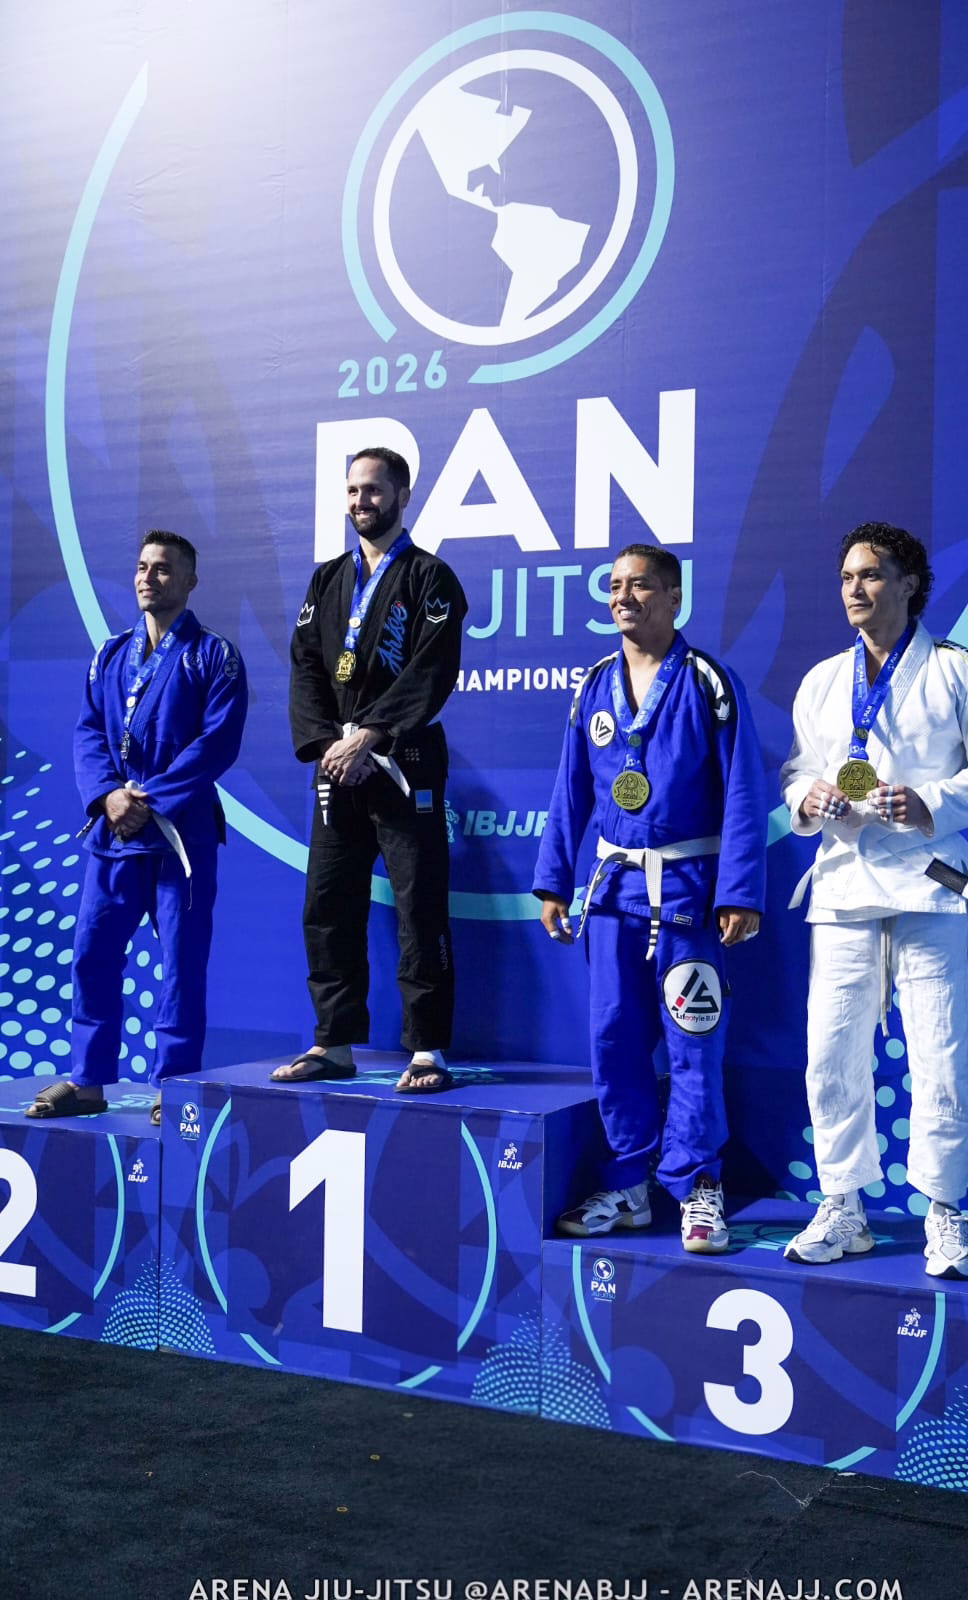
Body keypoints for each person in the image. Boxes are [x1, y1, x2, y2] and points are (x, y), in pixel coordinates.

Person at [533, 545, 766, 1251]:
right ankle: (630, 1183)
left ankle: (698, 1187)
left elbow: (745, 793)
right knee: (614, 1042)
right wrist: (552, 878)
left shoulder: (707, 683)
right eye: (614, 587)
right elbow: (571, 787)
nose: (623, 597)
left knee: (694, 1043)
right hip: (611, 898)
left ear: (674, 598)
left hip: (689, 896)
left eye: (640, 586)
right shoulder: (594, 685)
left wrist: (741, 892)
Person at [782, 522, 968, 1278]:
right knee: (830, 1058)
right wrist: (811, 799)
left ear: (910, 583)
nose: (855, 590)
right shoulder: (824, 680)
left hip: (932, 885)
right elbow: (797, 772)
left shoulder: (955, 673)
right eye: (847, 578)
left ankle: (946, 1209)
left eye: (871, 576)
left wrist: (930, 803)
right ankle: (843, 1206)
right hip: (845, 885)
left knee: (942, 1057)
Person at [26, 531, 247, 1124]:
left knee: (180, 963)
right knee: (91, 956)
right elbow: (89, 732)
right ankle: (89, 1078)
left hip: (181, 836)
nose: (150, 578)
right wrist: (107, 795)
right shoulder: (109, 653)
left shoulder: (215, 656)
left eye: (165, 569)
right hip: (114, 833)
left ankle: (172, 1085)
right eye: (144, 567)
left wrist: (148, 799)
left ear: (190, 581)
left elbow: (217, 743)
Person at [273, 447, 467, 1094]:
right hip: (337, 766)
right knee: (327, 905)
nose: (361, 502)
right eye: (353, 490)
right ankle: (333, 1043)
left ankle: (428, 1049)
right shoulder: (327, 581)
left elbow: (433, 670)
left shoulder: (432, 579)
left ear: (403, 495)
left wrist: (374, 734)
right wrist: (328, 744)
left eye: (374, 491)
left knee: (419, 908)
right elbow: (305, 667)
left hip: (403, 763)